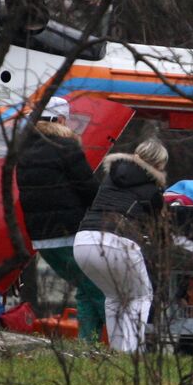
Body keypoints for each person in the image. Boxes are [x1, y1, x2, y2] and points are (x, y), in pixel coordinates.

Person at [15, 96, 106, 340]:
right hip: (69, 234)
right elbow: (88, 188)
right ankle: (118, 344)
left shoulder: (24, 150)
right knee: (99, 289)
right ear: (61, 119)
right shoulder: (66, 146)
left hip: (42, 239)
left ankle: (89, 343)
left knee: (86, 289)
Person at [73, 139, 169, 352]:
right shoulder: (152, 190)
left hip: (83, 240)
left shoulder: (111, 177)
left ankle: (117, 353)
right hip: (116, 240)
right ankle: (131, 353)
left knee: (115, 297)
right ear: (159, 164)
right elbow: (157, 230)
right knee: (142, 296)